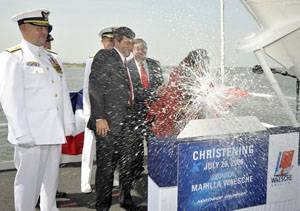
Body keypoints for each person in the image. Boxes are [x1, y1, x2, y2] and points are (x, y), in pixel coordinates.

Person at [0, 8, 74, 211]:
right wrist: (22, 133)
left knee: (50, 184)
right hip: (31, 135)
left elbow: (62, 93)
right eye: (38, 28)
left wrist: (68, 124)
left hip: (53, 131)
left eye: (45, 28)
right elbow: (10, 100)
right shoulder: (13, 57)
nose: (43, 33)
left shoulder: (53, 58)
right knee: (28, 185)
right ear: (23, 28)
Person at [88, 26, 137, 211]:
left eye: (133, 42)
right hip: (108, 125)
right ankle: (102, 206)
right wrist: (99, 117)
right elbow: (95, 88)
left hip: (126, 125)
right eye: (127, 42)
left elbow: (128, 93)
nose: (131, 46)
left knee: (127, 165)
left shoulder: (126, 62)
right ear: (116, 41)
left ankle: (125, 199)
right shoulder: (105, 56)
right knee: (106, 169)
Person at [81, 26, 116, 193]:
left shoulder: (118, 59)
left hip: (112, 114)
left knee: (111, 149)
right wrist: (93, 114)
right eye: (108, 40)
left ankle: (114, 178)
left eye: (113, 40)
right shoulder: (93, 58)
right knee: (89, 148)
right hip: (95, 113)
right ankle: (85, 181)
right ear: (102, 41)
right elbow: (90, 87)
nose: (111, 43)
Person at [146, 49, 210, 137]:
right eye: (204, 63)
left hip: (186, 119)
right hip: (172, 119)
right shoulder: (180, 73)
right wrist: (188, 109)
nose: (206, 66)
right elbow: (174, 100)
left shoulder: (200, 75)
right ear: (196, 62)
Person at [127, 38, 164, 179]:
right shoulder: (126, 66)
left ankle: (154, 169)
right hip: (135, 112)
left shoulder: (154, 64)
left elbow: (160, 85)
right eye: (138, 48)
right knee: (136, 144)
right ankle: (137, 171)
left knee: (152, 142)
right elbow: (131, 89)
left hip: (153, 111)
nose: (141, 51)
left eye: (143, 48)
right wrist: (147, 95)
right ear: (132, 50)